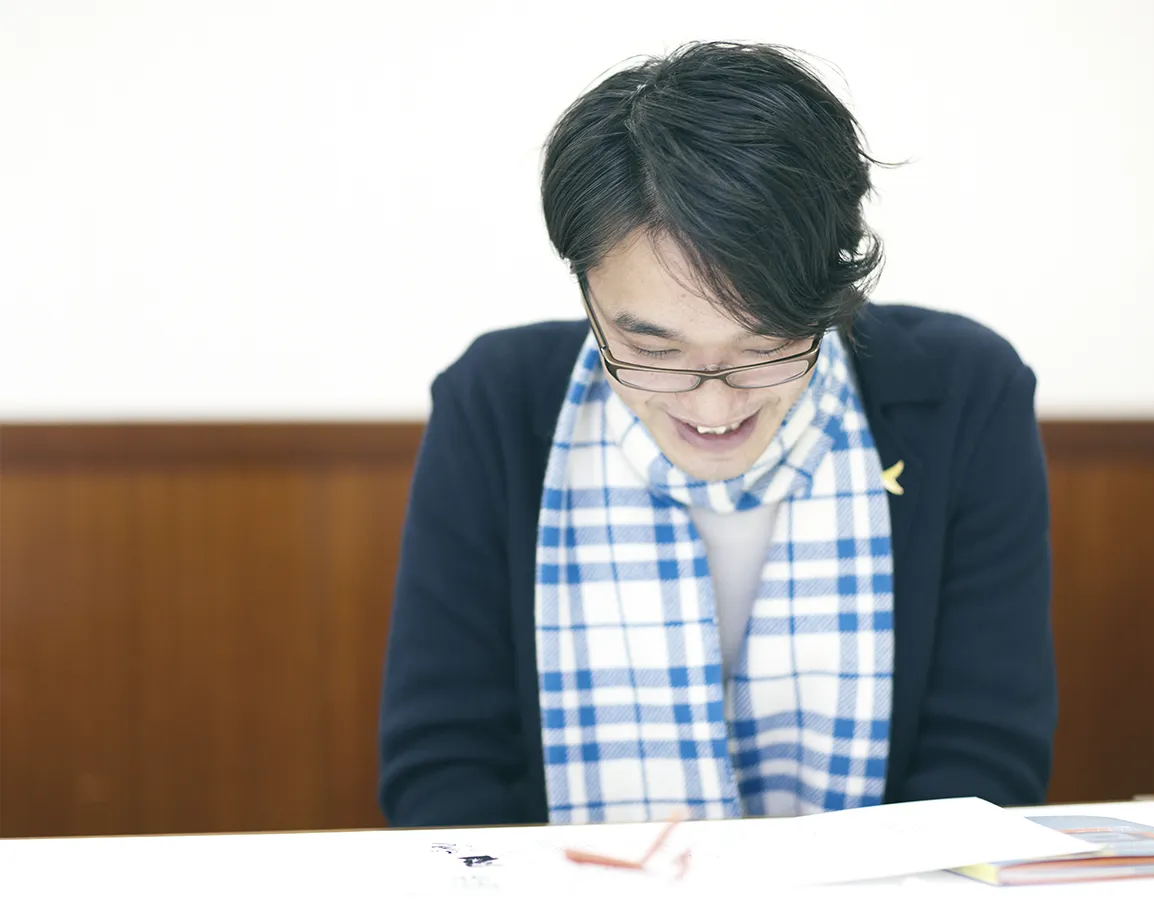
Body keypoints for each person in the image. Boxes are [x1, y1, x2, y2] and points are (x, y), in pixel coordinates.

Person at [378, 41, 1056, 828]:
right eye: (652, 352)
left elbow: (985, 760)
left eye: (763, 349)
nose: (711, 406)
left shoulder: (963, 392)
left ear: (831, 292)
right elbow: (443, 770)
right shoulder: (495, 403)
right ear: (587, 288)